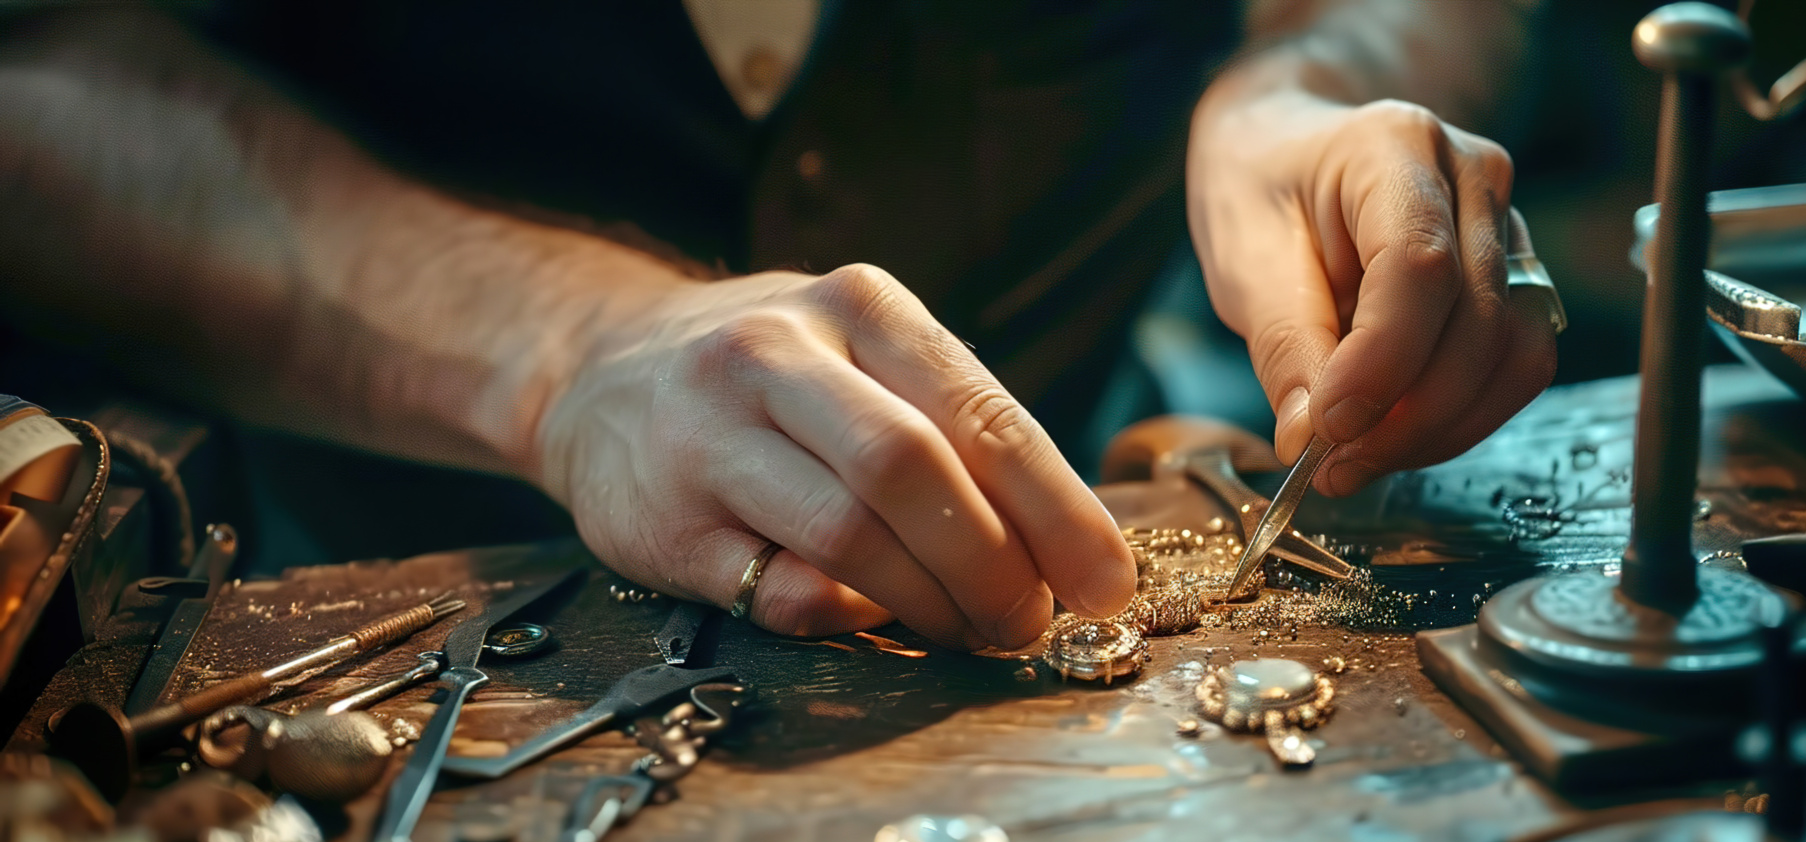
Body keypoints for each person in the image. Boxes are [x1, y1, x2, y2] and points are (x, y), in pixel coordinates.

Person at [0, 1, 1555, 651]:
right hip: (414, 618)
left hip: (1083, 509)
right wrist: (557, 343)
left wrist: (1315, 77)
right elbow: (39, 75)